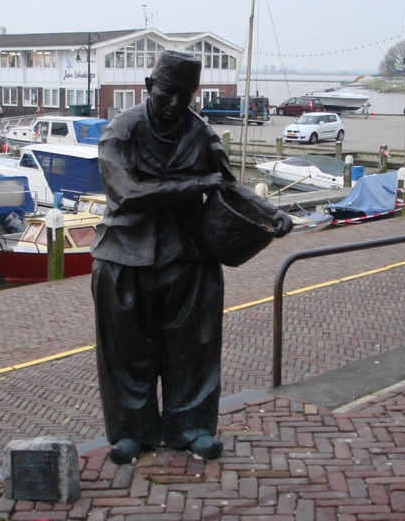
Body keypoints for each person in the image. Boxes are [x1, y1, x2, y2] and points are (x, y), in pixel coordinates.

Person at [91, 50, 292, 464]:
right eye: (166, 93)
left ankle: (193, 427)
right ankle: (132, 431)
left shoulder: (200, 133)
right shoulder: (121, 131)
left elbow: (226, 186)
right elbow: (126, 194)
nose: (174, 104)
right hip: (124, 256)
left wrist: (271, 212)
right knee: (127, 352)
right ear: (150, 87)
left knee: (195, 348)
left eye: (185, 95)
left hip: (188, 255)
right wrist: (192, 184)